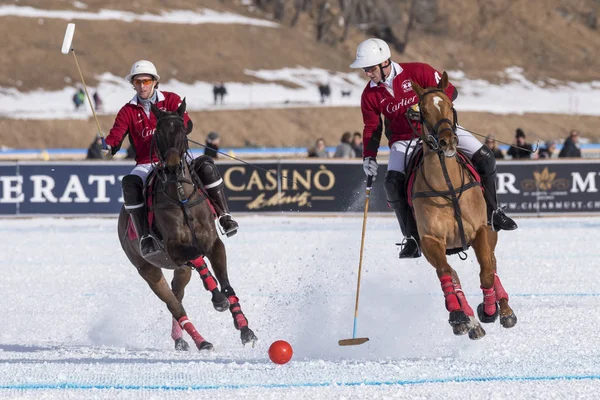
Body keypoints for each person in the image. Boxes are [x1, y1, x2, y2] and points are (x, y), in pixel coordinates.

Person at [349, 38, 517, 259]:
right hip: (403, 141)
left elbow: (451, 92)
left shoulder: (418, 71)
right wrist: (368, 156)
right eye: (365, 69)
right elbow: (372, 127)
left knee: (486, 157)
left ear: (384, 62)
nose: (367, 73)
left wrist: (424, 106)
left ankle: (494, 212)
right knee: (391, 183)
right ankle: (411, 237)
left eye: (370, 68)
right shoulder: (370, 94)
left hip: (441, 131)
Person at [102, 60, 238, 258]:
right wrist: (108, 146)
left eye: (146, 81)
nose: (142, 85)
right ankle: (145, 236)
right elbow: (116, 135)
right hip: (147, 163)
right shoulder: (128, 111)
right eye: (137, 81)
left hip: (178, 158)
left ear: (155, 82)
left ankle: (225, 216)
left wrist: (175, 125)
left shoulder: (172, 100)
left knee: (206, 166)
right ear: (133, 84)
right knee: (130, 184)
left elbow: (187, 124)